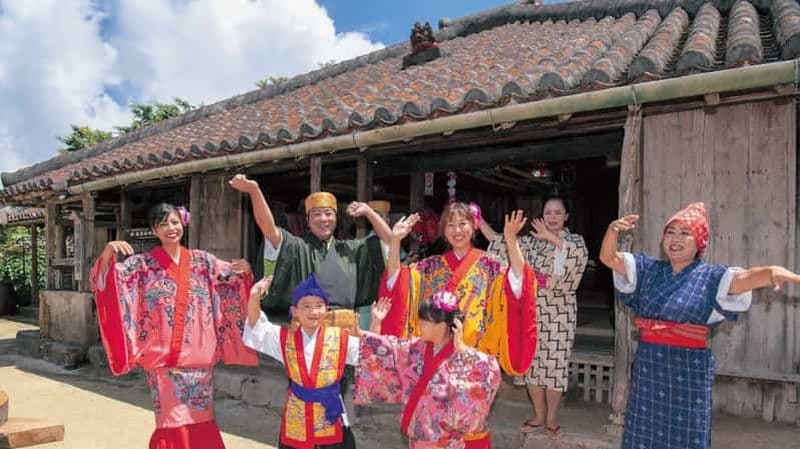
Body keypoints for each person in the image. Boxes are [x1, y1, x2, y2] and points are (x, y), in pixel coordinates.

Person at [599, 202, 800, 449]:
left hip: (688, 368)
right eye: (670, 232)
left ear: (700, 242)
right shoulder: (648, 269)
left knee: (688, 430)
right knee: (643, 428)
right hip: (650, 365)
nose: (676, 239)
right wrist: (612, 231)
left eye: (685, 233)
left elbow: (744, 278)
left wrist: (771, 272)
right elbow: (609, 258)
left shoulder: (711, 277)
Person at [91, 203, 257, 449]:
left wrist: (245, 271)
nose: (171, 228)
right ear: (154, 230)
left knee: (202, 421)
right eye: (163, 224)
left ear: (183, 224)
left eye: (175, 222)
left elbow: (234, 279)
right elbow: (107, 281)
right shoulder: (142, 265)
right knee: (171, 424)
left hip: (200, 362)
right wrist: (107, 253)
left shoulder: (203, 262)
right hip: (164, 363)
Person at [379, 202, 538, 377]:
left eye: (462, 224)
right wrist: (395, 242)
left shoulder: (490, 266)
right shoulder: (431, 267)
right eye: (451, 225)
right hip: (434, 356)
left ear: (473, 226)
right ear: (444, 232)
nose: (457, 231)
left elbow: (519, 282)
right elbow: (398, 282)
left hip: (474, 359)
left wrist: (510, 239)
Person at [481, 196, 588, 437]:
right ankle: (539, 415)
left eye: (557, 213)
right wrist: (479, 222)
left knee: (554, 366)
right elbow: (502, 243)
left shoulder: (575, 241)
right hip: (530, 311)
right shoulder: (531, 242)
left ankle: (551, 418)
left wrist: (550, 238)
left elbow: (577, 259)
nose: (552, 217)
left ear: (566, 216)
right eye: (548, 212)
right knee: (531, 365)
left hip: (559, 314)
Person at [355, 290, 502, 449]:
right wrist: (372, 325)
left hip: (449, 443)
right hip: (418, 439)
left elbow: (489, 374)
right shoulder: (417, 348)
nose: (419, 325)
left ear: (440, 326)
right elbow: (385, 350)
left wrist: (463, 351)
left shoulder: (468, 359)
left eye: (424, 322)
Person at [229, 174, 391, 312]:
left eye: (328, 214)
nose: (323, 219)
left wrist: (369, 212)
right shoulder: (297, 248)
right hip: (306, 327)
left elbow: (389, 241)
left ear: (336, 218)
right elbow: (269, 229)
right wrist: (255, 191)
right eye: (316, 214)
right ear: (307, 220)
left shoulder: (350, 249)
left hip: (344, 329)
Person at [243, 274, 359, 449]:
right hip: (297, 415)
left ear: (326, 309)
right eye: (306, 306)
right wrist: (254, 298)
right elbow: (256, 327)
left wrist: (375, 324)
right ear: (295, 311)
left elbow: (367, 354)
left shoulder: (341, 338)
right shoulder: (284, 338)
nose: (313, 312)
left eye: (319, 306)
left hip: (331, 412)